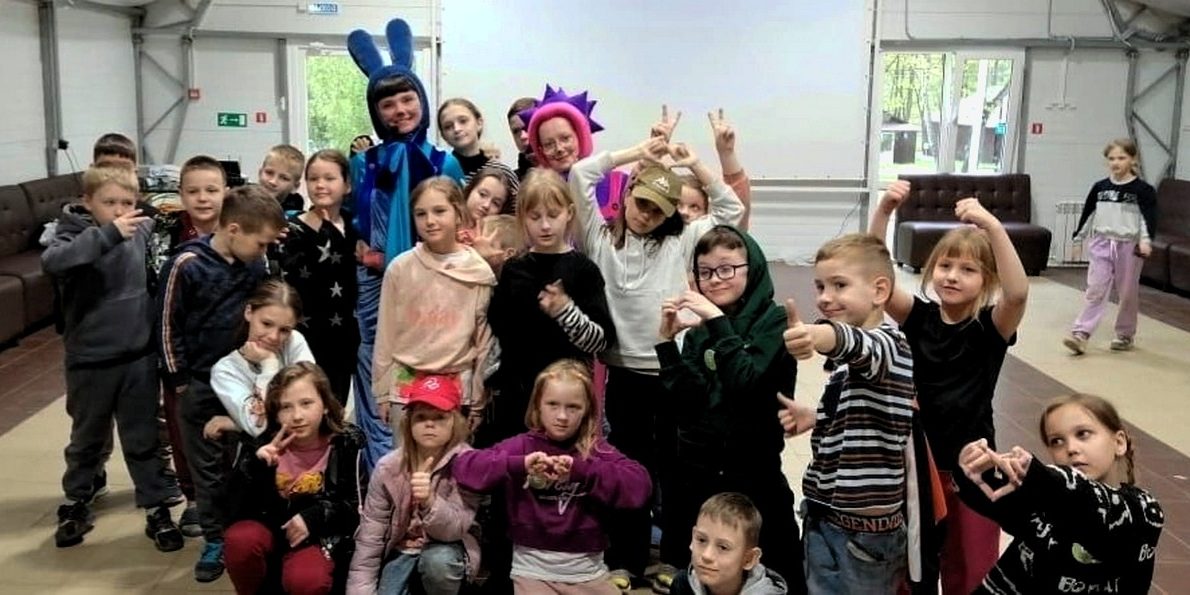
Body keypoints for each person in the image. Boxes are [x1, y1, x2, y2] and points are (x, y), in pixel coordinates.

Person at [569, 137, 743, 586]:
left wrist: (696, 165)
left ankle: (672, 561)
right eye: (641, 203)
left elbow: (731, 211)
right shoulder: (600, 238)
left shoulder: (681, 241)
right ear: (627, 195)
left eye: (657, 210)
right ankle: (626, 560)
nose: (646, 215)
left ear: (670, 214)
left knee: (674, 469)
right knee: (630, 469)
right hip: (622, 372)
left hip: (668, 370)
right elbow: (580, 174)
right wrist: (635, 154)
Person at [870, 185, 1029, 594]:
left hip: (975, 469)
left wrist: (992, 225)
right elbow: (874, 278)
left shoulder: (991, 327)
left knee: (971, 570)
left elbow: (1017, 293)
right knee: (913, 569)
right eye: (945, 265)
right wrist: (884, 211)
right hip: (919, 466)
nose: (953, 276)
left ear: (987, 280)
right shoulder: (918, 317)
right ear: (931, 270)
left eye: (968, 269)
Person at [42, 164, 183, 551]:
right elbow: (53, 262)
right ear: (88, 202)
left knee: (143, 437)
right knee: (87, 437)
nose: (120, 211)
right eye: (109, 203)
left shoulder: (141, 228)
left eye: (127, 202)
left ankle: (155, 505)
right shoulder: (72, 233)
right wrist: (107, 234)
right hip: (90, 360)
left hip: (137, 357)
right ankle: (77, 499)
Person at [655, 226, 802, 590]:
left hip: (755, 474)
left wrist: (718, 323)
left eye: (727, 268)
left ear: (752, 268)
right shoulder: (701, 330)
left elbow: (746, 385)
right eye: (705, 272)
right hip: (703, 474)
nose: (715, 280)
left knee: (772, 573)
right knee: (704, 574)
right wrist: (667, 343)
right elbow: (688, 403)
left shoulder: (774, 322)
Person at [347, 18, 464, 469]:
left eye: (407, 99)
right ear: (376, 112)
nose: (399, 110)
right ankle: (385, 471)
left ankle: (433, 468)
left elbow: (454, 225)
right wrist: (366, 250)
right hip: (376, 283)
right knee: (379, 373)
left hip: (431, 282)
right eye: (388, 104)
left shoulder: (443, 162)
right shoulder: (364, 162)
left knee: (428, 374)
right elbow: (357, 218)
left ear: (423, 101)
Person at [157, 185, 286, 582]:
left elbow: (270, 310)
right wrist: (181, 384)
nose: (264, 250)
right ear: (233, 229)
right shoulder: (187, 264)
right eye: (260, 243)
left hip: (244, 383)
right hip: (198, 387)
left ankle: (245, 532)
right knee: (208, 472)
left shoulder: (257, 265)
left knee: (244, 464)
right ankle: (215, 540)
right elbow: (166, 327)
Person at [781, 233, 916, 595]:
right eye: (820, 286)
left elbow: (856, 344)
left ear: (879, 290)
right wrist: (816, 416)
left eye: (839, 285)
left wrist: (818, 334)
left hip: (866, 535)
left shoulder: (890, 345)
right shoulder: (848, 364)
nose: (825, 297)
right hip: (824, 516)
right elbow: (865, 411)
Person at [453, 359, 653, 594]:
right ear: (538, 406)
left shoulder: (595, 449)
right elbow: (465, 468)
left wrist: (582, 472)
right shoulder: (521, 446)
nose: (562, 416)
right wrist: (519, 465)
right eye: (552, 405)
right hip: (531, 574)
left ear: (587, 410)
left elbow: (640, 486)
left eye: (573, 407)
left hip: (590, 572)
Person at [954, 393, 1164, 594]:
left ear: (1119, 442)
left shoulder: (1145, 511)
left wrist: (1041, 478)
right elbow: (998, 501)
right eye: (1057, 441)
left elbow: (1089, 503)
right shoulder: (1044, 500)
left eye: (1083, 434)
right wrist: (973, 471)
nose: (1071, 448)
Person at [484, 168, 615, 445]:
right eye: (535, 217)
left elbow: (601, 341)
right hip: (516, 397)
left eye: (553, 215)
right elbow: (496, 332)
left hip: (565, 401)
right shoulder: (513, 270)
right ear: (523, 218)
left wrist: (566, 312)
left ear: (569, 213)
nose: (545, 226)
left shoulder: (584, 270)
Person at [223, 362, 367, 595]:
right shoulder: (260, 440)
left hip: (318, 536)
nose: (297, 416)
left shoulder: (346, 443)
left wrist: (316, 516)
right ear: (275, 412)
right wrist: (256, 466)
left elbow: (357, 507)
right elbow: (230, 507)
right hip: (268, 528)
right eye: (286, 407)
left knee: (307, 579)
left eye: (306, 403)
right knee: (240, 541)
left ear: (325, 405)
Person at [373, 177, 495, 444]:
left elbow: (483, 342)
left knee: (454, 464)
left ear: (458, 213)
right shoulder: (400, 268)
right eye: (421, 214)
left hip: (457, 384)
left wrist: (477, 400)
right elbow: (385, 333)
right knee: (407, 462)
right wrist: (382, 392)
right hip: (406, 383)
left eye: (439, 211)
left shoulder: (478, 271)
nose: (430, 221)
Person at [347, 374, 481, 595]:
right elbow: (371, 535)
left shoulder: (469, 463)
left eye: (439, 417)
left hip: (448, 549)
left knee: (438, 563)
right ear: (409, 422)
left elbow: (455, 529)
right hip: (402, 550)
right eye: (420, 417)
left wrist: (429, 501)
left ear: (455, 422)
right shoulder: (388, 468)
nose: (429, 424)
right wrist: (360, 590)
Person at [277, 149, 361, 405]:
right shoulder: (292, 229)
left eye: (329, 178)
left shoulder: (355, 225)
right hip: (308, 333)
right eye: (313, 179)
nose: (320, 185)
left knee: (336, 403)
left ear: (347, 185)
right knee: (308, 399)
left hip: (345, 334)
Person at [1064, 138, 1158, 354]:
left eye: (1121, 158)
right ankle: (1081, 333)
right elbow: (1088, 215)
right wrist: (1078, 240)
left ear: (1133, 159)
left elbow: (1148, 219)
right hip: (1102, 243)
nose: (1116, 163)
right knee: (1095, 289)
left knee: (1127, 293)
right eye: (1112, 158)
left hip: (1129, 247)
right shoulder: (1100, 188)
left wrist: (1145, 241)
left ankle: (1125, 334)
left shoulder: (1143, 190)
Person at [210, 280, 314, 439]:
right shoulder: (225, 370)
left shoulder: (294, 341)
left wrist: (236, 424)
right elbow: (258, 427)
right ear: (249, 312)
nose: (274, 337)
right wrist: (269, 364)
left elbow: (312, 406)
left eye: (284, 330)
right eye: (266, 324)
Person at [519, 85, 628, 222]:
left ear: (580, 137)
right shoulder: (535, 193)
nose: (559, 148)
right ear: (541, 151)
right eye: (549, 144)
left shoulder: (619, 183)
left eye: (565, 138)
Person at [669, 493, 788, 595]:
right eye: (701, 540)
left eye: (723, 547)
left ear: (749, 559)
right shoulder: (683, 584)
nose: (706, 555)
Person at [674, 110, 753, 231]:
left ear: (706, 214)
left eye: (694, 207)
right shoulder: (656, 237)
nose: (684, 213)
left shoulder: (711, 235)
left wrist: (727, 154)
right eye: (677, 205)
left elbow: (735, 208)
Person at [439, 97, 520, 188]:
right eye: (448, 126)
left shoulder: (503, 173)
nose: (457, 129)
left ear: (479, 123)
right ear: (443, 135)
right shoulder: (440, 172)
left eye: (463, 121)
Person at [257, 144, 306, 213]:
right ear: (260, 173)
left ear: (295, 187)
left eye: (284, 178)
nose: (273, 182)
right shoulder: (243, 201)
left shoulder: (294, 215)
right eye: (269, 173)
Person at [507, 97, 537, 180]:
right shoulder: (509, 183)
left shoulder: (568, 172)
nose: (523, 136)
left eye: (528, 127)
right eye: (516, 131)